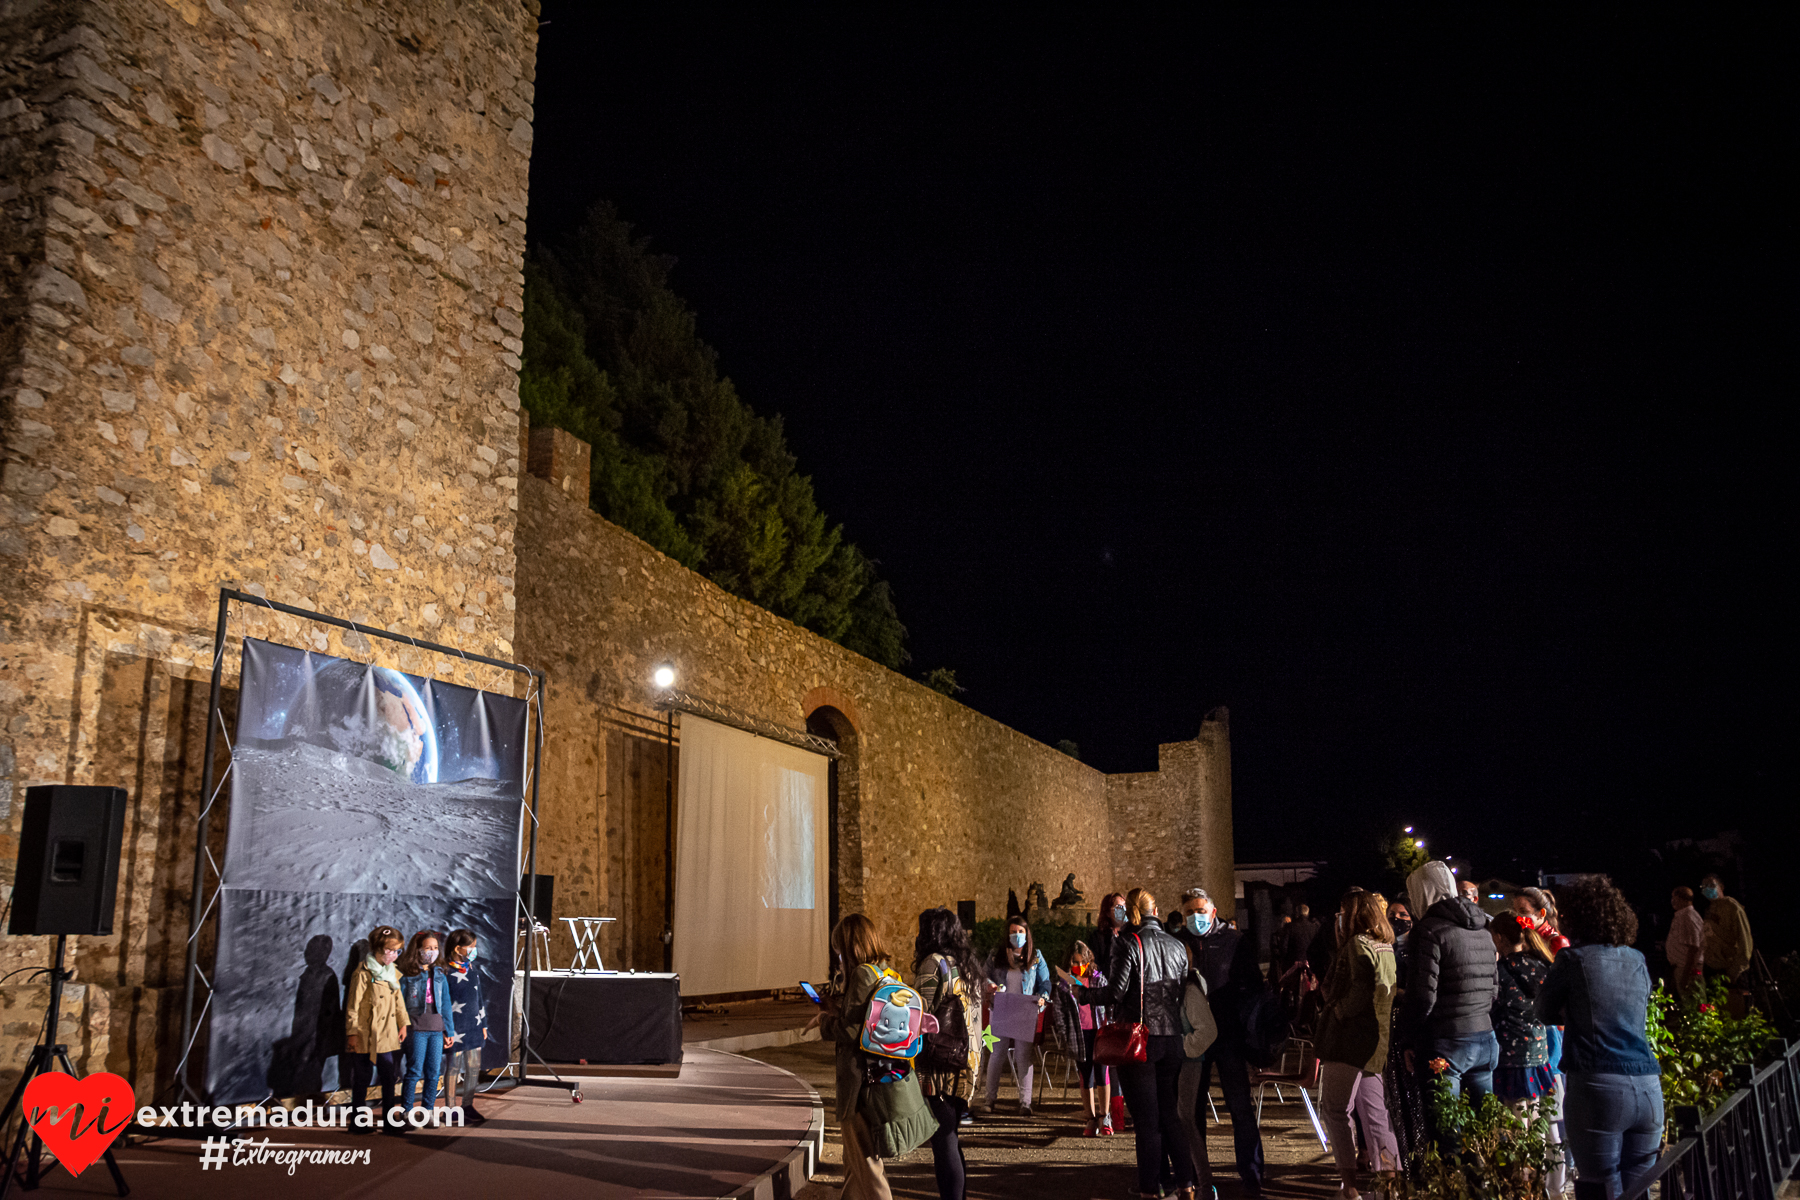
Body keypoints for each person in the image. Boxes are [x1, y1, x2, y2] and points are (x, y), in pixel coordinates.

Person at [1061, 888, 1199, 1200]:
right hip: (1172, 1037)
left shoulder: (1128, 943)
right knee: (1170, 1115)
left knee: (1147, 1121)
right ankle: (1186, 1185)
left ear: (1131, 912)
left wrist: (1083, 994)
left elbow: (1115, 992)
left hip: (1141, 1040)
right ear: (1156, 910)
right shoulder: (1177, 945)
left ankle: (1150, 1188)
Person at [1534, 874, 1663, 1199]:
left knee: (1601, 1188)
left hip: (1598, 1086)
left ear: (1575, 917)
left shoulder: (1572, 959)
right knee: (1639, 1189)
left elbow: (1544, 1011)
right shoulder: (1637, 959)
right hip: (1648, 1086)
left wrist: (1572, 1011)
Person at [1176, 886, 1267, 1195]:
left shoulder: (1234, 941)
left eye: (1200, 911)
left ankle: (1251, 1174)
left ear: (1213, 912)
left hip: (1228, 1036)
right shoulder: (1180, 942)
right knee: (1192, 1110)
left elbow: (1253, 987)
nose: (1195, 917)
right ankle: (1198, 1177)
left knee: (1240, 1107)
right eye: (1189, 912)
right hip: (1195, 1036)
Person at [817, 913, 910, 1200]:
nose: (837, 956)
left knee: (867, 1167)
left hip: (857, 1085)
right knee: (854, 1165)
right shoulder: (883, 971)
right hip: (877, 1077)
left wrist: (825, 1021)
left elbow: (852, 1030)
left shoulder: (860, 975)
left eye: (838, 949)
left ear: (851, 946)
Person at [1316, 891, 1400, 1198]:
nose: (1339, 918)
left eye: (1342, 912)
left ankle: (1349, 1186)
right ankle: (1390, 1184)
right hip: (1375, 1042)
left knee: (1336, 1111)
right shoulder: (1385, 945)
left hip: (1347, 1040)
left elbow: (1361, 988)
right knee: (1376, 1115)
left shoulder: (1356, 944)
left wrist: (1339, 1011)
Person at [1399, 861, 1498, 1101]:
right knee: (1482, 1126)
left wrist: (1408, 1038)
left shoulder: (1428, 930)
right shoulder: (1482, 927)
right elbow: (1494, 989)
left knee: (1446, 1128)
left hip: (1446, 1042)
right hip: (1485, 1037)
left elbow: (1423, 996)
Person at [913, 908, 981, 1200]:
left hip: (939, 1065)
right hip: (964, 1062)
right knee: (951, 1137)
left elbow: (920, 1014)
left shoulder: (933, 964)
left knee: (944, 1141)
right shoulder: (965, 964)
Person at [982, 915, 1050, 1116]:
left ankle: (1025, 1103)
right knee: (997, 1055)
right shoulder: (997, 955)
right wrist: (990, 985)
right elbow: (983, 974)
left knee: (1023, 1056)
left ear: (1027, 934)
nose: (1017, 935)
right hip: (1002, 1008)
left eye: (1021, 932)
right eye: (1013, 931)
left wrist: (1043, 997)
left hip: (1024, 1009)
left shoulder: (1035, 956)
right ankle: (989, 1100)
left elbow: (1045, 982)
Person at [344, 924, 409, 1134]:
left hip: (387, 1034)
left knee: (388, 1076)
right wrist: (352, 1032)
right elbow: (353, 1004)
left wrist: (403, 1023)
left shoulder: (393, 973)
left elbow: (399, 1001)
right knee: (362, 1077)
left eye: (397, 950)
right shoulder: (362, 972)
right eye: (390, 950)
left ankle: (390, 1120)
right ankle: (358, 1120)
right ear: (378, 948)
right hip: (365, 1033)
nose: (394, 954)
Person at [1049, 940, 1112, 1136]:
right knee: (1086, 1076)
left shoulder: (1098, 981)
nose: (1077, 967)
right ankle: (1090, 1117)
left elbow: (1110, 1003)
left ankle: (1104, 1115)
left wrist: (1110, 1025)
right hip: (1078, 1033)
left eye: (1080, 962)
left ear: (1088, 961)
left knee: (1103, 1074)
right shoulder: (1065, 985)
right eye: (1073, 963)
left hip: (1099, 1032)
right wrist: (1063, 1032)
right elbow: (1058, 1011)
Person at [397, 929, 454, 1117]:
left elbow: (446, 1004)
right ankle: (406, 1112)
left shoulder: (439, 974)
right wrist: (403, 1025)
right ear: (418, 949)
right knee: (414, 1070)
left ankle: (428, 1111)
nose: (432, 951)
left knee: (433, 1072)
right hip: (417, 1029)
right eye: (428, 947)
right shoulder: (408, 975)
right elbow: (401, 1003)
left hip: (436, 1030)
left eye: (435, 948)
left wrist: (449, 1031)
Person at [442, 928, 488, 1123]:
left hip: (474, 1026)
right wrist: (446, 1029)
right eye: (470, 947)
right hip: (455, 1028)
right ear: (458, 948)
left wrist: (483, 1024)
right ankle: (450, 1108)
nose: (473, 951)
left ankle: (467, 1105)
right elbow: (442, 1002)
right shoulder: (444, 971)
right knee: (453, 1067)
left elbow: (479, 998)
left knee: (474, 1066)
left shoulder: (472, 970)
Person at [1700, 874, 1753, 984]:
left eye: (1711, 885)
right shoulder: (1709, 910)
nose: (1707, 889)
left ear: (1721, 887)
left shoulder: (1732, 907)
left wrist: (1735, 971)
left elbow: (1744, 940)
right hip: (1712, 968)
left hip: (1729, 970)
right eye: (1703, 887)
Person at [1666, 886, 1705, 1002]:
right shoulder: (1681, 915)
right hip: (1681, 968)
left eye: (1675, 897)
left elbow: (1694, 948)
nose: (1672, 900)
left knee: (1694, 1002)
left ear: (1682, 898)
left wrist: (1686, 974)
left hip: (1687, 969)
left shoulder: (1688, 916)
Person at [1512, 888, 1570, 957]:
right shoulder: (1518, 938)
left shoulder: (1557, 942)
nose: (1517, 917)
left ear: (1542, 913)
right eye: (1515, 912)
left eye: (1524, 911)